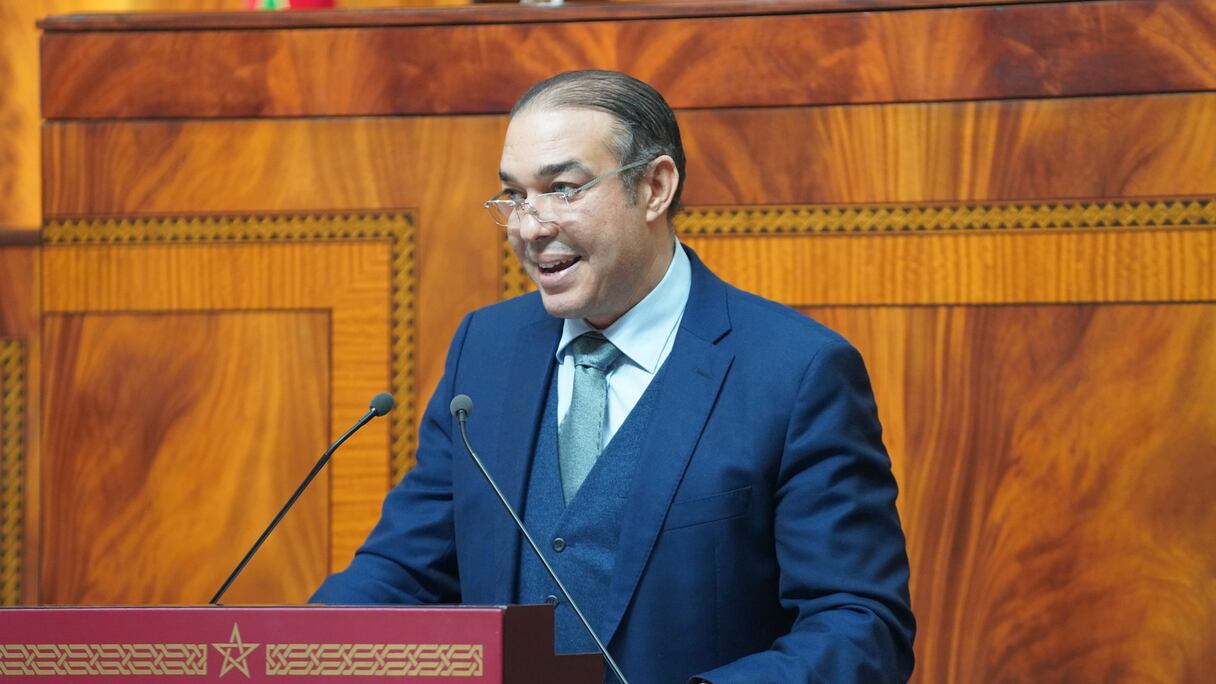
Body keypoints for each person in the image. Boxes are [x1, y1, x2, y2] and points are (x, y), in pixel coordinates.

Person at [312, 70, 915, 683]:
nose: (530, 226)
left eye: (563, 189)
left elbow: (861, 625)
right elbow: (404, 572)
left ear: (654, 187)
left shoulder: (796, 371)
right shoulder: (486, 350)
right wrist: (290, 650)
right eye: (515, 195)